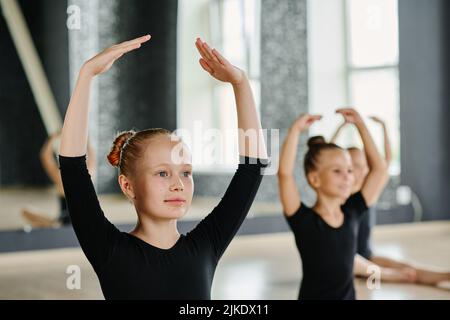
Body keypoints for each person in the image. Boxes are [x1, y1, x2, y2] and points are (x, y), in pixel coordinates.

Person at [58, 35, 268, 299]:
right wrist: (86, 75)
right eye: (162, 173)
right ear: (127, 185)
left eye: (186, 173)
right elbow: (73, 169)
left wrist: (241, 83)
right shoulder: (110, 251)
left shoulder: (206, 245)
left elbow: (252, 168)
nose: (178, 183)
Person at [278, 109, 388, 299]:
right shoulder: (303, 220)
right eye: (337, 171)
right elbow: (284, 175)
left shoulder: (353, 211)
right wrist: (295, 131)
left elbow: (379, 169)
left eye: (349, 170)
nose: (347, 177)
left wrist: (361, 125)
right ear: (315, 179)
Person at [332, 117, 450, 286]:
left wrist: (384, 128)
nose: (357, 170)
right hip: (349, 259)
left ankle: (445, 276)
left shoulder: (369, 193)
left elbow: (385, 161)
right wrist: (341, 128)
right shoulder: (339, 196)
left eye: (361, 165)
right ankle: (390, 275)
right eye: (352, 166)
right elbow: (327, 160)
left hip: (367, 255)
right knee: (353, 263)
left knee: (409, 268)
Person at [21, 132, 96, 228]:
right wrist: (86, 139)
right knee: (27, 212)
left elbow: (45, 156)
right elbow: (92, 158)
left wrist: (53, 137)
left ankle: (54, 225)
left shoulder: (61, 177)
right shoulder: (88, 174)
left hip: (65, 224)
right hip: (87, 222)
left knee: (25, 212)